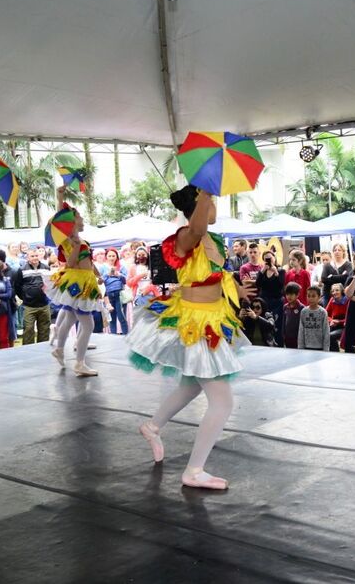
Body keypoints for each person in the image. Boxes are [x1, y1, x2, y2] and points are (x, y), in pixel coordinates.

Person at [128, 185, 254, 490]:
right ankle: (193, 470)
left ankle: (152, 425)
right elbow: (197, 226)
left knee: (190, 385)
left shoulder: (213, 240)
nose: (215, 207)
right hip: (194, 324)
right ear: (198, 204)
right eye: (211, 201)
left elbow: (218, 275)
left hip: (213, 318)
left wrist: (238, 290)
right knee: (222, 402)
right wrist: (206, 192)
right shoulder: (187, 235)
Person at [44, 187, 101, 376]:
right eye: (81, 217)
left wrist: (97, 273)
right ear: (73, 221)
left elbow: (88, 262)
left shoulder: (78, 239)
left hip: (84, 280)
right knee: (88, 325)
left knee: (69, 319)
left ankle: (60, 349)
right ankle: (79, 363)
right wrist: (60, 199)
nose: (83, 220)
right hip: (78, 282)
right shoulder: (71, 239)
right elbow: (70, 263)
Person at [12, 248, 51, 344]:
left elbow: (50, 283)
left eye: (36, 256)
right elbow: (17, 286)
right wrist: (25, 297)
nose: (35, 258)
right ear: (27, 258)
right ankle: (28, 351)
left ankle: (43, 350)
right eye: (32, 256)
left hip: (44, 304)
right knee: (28, 329)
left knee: (44, 329)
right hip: (29, 306)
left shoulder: (46, 268)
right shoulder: (21, 270)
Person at [255, 250, 286, 345]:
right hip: (264, 301)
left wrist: (276, 272)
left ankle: (278, 343)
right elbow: (257, 284)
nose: (268, 260)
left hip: (276, 301)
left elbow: (281, 285)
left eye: (270, 258)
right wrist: (262, 270)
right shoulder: (262, 271)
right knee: (265, 322)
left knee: (277, 323)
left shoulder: (281, 270)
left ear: (274, 258)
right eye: (266, 258)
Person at [102, 248, 129, 334]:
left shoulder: (121, 267)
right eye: (109, 256)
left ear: (117, 256)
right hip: (108, 295)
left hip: (119, 294)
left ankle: (126, 335)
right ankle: (113, 337)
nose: (111, 258)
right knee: (112, 318)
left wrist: (119, 275)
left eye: (113, 255)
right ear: (106, 257)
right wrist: (107, 275)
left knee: (122, 317)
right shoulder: (103, 268)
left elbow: (126, 280)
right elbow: (100, 281)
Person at [298, 286, 330, 351]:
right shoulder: (304, 311)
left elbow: (326, 331)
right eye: (308, 296)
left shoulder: (323, 312)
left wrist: (326, 349)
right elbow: (301, 330)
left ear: (319, 297)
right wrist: (300, 347)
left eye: (313, 296)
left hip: (319, 347)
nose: (310, 298)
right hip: (306, 346)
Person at [325, 283, 348, 352]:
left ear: (342, 291)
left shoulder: (347, 301)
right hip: (333, 325)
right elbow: (325, 314)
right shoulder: (332, 300)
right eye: (333, 291)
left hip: (344, 327)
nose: (334, 292)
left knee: (330, 336)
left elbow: (350, 318)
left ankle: (335, 354)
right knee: (322, 335)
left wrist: (339, 322)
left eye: (337, 290)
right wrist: (331, 320)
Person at [282, 282, 303, 349]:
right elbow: (284, 322)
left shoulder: (302, 308)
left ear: (297, 295)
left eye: (291, 294)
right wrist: (283, 334)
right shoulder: (285, 307)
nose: (289, 296)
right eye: (287, 294)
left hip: (298, 338)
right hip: (287, 337)